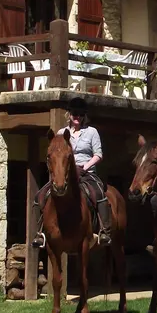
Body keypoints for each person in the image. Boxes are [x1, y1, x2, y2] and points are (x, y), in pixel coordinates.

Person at [58, 97, 112, 247]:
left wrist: (85, 167)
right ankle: (41, 232)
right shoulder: (61, 133)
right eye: (75, 114)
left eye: (81, 115)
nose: (78, 117)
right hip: (67, 173)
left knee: (99, 193)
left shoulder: (91, 132)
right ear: (69, 114)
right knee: (43, 194)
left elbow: (98, 154)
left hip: (87, 171)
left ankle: (104, 230)